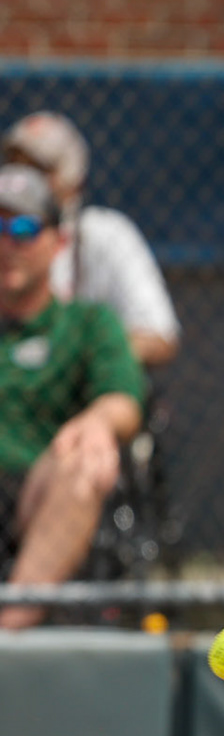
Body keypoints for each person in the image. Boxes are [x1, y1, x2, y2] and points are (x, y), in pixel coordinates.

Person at [0, 164, 145, 629]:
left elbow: (123, 401)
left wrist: (97, 422)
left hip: (37, 493)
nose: (7, 244)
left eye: (24, 229)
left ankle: (7, 633)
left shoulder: (88, 324)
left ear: (58, 242)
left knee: (83, 461)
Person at [3, 112, 179, 369]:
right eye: (15, 165)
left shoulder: (106, 235)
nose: (26, 181)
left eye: (40, 169)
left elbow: (158, 335)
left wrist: (78, 363)